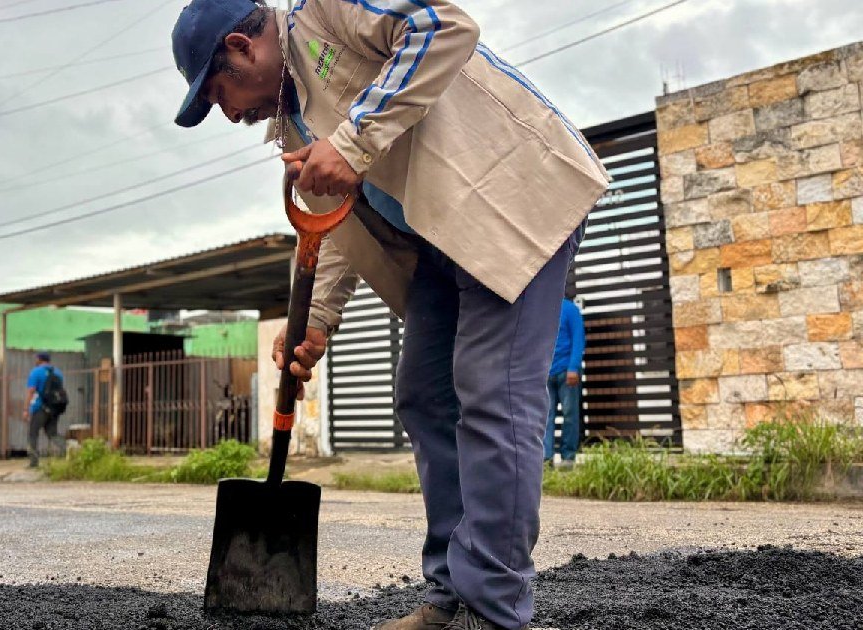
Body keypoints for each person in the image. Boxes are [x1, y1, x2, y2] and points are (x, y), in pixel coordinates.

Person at [169, 2, 608, 629]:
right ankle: (448, 592)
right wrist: (317, 318)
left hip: (511, 201)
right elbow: (337, 215)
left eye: (220, 94)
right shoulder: (291, 126)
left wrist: (351, 142)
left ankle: (496, 610)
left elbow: (443, 27)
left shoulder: (323, 11)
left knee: (492, 393)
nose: (231, 115)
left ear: (241, 48)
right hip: (439, 245)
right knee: (426, 397)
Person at [545, 294, 585, 468]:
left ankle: (568, 457)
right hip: (545, 374)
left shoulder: (570, 309)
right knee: (545, 417)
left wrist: (573, 367)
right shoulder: (541, 311)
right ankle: (546, 458)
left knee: (569, 415)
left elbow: (578, 339)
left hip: (567, 371)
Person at [23, 352, 66, 468]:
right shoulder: (58, 372)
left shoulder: (35, 372)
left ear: (39, 359)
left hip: (39, 408)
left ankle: (33, 462)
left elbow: (31, 391)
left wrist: (26, 409)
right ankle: (70, 450)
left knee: (33, 433)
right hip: (54, 408)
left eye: (36, 358)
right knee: (52, 434)